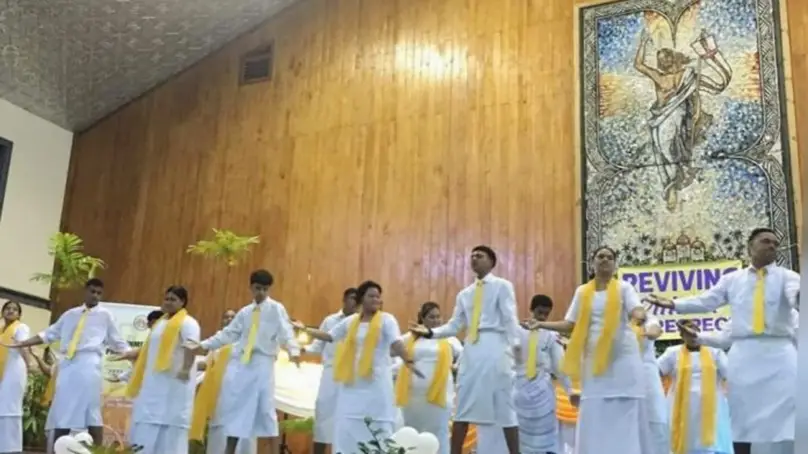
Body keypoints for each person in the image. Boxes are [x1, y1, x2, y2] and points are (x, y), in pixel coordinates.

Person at [644, 228, 800, 454]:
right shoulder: (732, 280)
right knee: (742, 418)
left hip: (780, 354)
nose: (772, 246)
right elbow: (707, 302)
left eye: (776, 243)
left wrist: (798, 298)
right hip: (744, 355)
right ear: (750, 247)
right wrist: (674, 305)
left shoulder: (788, 277)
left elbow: (796, 295)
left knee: (788, 417)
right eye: (766, 241)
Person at [525, 246, 651, 454]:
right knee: (595, 409)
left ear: (615, 264)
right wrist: (541, 324)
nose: (605, 260)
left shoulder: (624, 288)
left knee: (625, 409)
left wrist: (640, 315)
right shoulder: (582, 291)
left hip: (623, 358)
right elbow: (570, 325)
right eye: (600, 256)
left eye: (609, 257)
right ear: (592, 263)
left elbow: (635, 309)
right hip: (594, 361)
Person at [409, 245, 521, 454]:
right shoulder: (465, 294)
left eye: (479, 256)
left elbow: (510, 319)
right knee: (463, 406)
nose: (474, 259)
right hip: (472, 348)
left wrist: (516, 349)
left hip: (496, 346)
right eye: (472, 256)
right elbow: (454, 325)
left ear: (491, 261)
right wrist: (430, 332)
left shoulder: (502, 286)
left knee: (505, 405)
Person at [292, 280, 422, 454]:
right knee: (348, 423)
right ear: (362, 299)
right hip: (353, 384)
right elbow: (330, 336)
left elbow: (396, 342)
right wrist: (305, 329)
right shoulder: (352, 321)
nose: (376, 300)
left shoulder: (387, 320)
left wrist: (408, 360)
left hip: (377, 384)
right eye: (371, 296)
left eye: (378, 296)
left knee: (378, 424)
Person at [0, 279, 130, 448]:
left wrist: (134, 356)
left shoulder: (106, 315)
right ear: (85, 291)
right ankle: (56, 449)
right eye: (92, 291)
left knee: (91, 411)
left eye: (99, 293)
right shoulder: (70, 314)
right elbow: (48, 334)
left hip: (89, 364)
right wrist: (23, 343)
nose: (95, 296)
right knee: (62, 410)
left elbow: (118, 341)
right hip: (68, 365)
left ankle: (96, 451)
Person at [187, 269, 301, 454]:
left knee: (266, 410)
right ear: (251, 287)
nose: (261, 292)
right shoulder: (245, 312)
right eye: (258, 288)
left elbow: (286, 331)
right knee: (237, 409)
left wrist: (293, 350)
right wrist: (202, 345)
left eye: (265, 289)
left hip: (263, 363)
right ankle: (229, 451)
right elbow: (228, 334)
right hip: (243, 364)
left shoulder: (276, 309)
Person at [114, 286, 200, 454]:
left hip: (175, 387)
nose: (168, 302)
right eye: (166, 299)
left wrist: (186, 369)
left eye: (173, 299)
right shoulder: (160, 323)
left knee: (171, 438)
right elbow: (150, 349)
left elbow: (192, 346)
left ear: (183, 302)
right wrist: (129, 354)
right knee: (146, 432)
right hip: (153, 387)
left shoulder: (189, 323)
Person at [395, 302, 463, 454]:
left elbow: (464, 356)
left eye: (438, 317)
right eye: (432, 317)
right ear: (422, 319)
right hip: (413, 396)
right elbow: (393, 349)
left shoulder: (449, 338)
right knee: (413, 431)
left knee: (439, 432)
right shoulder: (411, 337)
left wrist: (455, 366)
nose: (436, 320)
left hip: (439, 396)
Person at [657, 320, 733, 454]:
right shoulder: (672, 353)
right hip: (680, 405)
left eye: (694, 333)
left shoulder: (715, 352)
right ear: (682, 336)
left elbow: (730, 373)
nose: (692, 337)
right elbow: (656, 370)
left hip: (711, 405)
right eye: (688, 334)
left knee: (712, 441)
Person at [513, 294, 573, 454]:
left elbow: (560, 367)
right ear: (531, 309)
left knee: (546, 442)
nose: (542, 317)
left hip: (543, 396)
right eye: (539, 312)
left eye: (546, 314)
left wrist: (570, 390)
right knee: (520, 441)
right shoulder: (515, 332)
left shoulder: (551, 336)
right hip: (519, 393)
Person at [191, 309, 257, 454]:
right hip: (220, 393)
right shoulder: (218, 342)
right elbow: (207, 364)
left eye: (233, 317)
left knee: (242, 431)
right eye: (226, 317)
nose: (229, 319)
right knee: (219, 430)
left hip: (242, 392)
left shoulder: (248, 340)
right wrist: (185, 364)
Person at [304, 287, 357, 454]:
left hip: (352, 376)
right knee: (323, 415)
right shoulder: (330, 320)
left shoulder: (361, 323)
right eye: (352, 298)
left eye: (358, 299)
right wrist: (302, 350)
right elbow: (317, 346)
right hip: (331, 374)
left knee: (347, 420)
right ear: (344, 300)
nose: (355, 302)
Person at [631, 314, 669, 454]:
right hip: (621, 376)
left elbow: (655, 330)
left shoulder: (647, 319)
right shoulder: (612, 320)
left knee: (655, 417)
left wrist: (648, 333)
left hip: (647, 375)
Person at [0, 300, 31, 454]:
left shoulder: (21, 327)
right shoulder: (1, 331)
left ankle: (11, 448)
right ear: (2, 312)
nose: (11, 311)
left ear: (19, 315)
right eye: (7, 308)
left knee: (10, 408)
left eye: (14, 309)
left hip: (14, 372)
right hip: (3, 372)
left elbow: (23, 346)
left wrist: (29, 366)